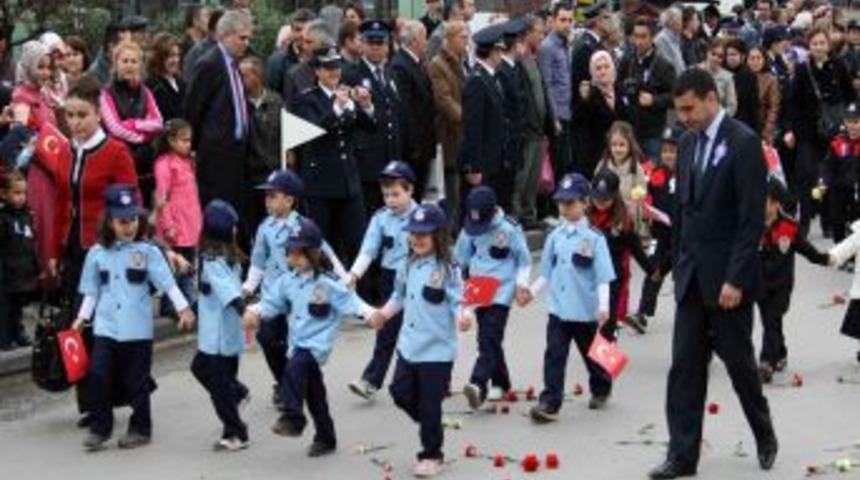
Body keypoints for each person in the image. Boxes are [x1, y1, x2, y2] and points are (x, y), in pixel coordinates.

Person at [648, 68, 777, 480]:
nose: (684, 118)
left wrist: (736, 279)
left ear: (709, 98)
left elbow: (750, 219)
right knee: (684, 368)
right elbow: (684, 213)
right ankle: (681, 456)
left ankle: (763, 431)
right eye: (679, 110)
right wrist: (674, 264)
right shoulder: (686, 145)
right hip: (691, 278)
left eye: (689, 108)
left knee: (740, 366)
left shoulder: (744, 143)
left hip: (728, 284)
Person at [72, 184, 195, 451]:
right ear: (109, 221)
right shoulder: (96, 253)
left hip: (137, 330)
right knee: (98, 375)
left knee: (136, 381)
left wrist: (183, 308)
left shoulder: (148, 252)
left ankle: (140, 428)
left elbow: (168, 283)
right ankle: (100, 427)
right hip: (105, 327)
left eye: (133, 220)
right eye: (122, 221)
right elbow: (91, 290)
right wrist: (81, 318)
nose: (128, 226)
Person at [243, 217, 371, 458]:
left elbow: (351, 302)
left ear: (313, 253)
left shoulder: (328, 283)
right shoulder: (287, 281)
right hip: (297, 343)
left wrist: (371, 314)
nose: (291, 258)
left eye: (298, 253)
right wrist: (254, 311)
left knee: (293, 368)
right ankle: (326, 438)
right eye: (289, 253)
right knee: (315, 395)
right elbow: (271, 302)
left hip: (316, 347)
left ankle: (294, 418)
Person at [52, 79, 138, 427]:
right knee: (80, 325)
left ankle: (128, 391)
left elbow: (130, 202)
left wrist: (121, 244)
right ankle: (91, 402)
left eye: (82, 115)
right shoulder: (66, 149)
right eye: (69, 115)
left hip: (106, 249)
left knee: (110, 328)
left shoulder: (116, 151)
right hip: (74, 249)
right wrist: (55, 248)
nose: (75, 123)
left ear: (98, 113)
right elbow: (62, 200)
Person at [367, 203, 467, 478]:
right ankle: (430, 424)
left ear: (438, 234)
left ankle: (431, 454)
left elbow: (459, 299)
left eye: (425, 233)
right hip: (409, 347)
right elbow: (398, 296)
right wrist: (383, 315)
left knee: (429, 403)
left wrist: (462, 317)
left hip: (437, 351)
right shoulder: (406, 264)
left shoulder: (448, 268)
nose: (418, 239)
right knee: (399, 392)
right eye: (414, 233)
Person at [242, 169, 348, 405]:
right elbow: (258, 261)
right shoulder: (264, 227)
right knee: (267, 338)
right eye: (266, 195)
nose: (267, 200)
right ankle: (283, 380)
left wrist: (344, 278)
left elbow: (326, 252)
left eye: (273, 195)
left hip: (300, 293)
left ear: (289, 200)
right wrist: (249, 286)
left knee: (297, 343)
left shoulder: (304, 226)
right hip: (273, 294)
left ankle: (299, 385)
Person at [526, 173, 616, 421]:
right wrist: (531, 293)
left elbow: (603, 277)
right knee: (554, 355)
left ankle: (602, 386)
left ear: (585, 202)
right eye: (561, 202)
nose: (565, 208)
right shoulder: (554, 237)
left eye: (571, 202)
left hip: (584, 310)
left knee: (593, 355)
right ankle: (550, 401)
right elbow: (546, 272)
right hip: (558, 310)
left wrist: (604, 305)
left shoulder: (595, 239)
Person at [292, 46, 374, 266]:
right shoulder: (307, 99)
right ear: (317, 71)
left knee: (357, 241)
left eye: (336, 67)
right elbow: (317, 129)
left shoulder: (345, 94)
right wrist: (337, 107)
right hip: (321, 183)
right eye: (328, 68)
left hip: (349, 182)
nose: (334, 73)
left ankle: (361, 294)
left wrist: (365, 106)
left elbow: (370, 127)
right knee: (324, 245)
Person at [347, 161, 419, 400]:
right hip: (391, 280)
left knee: (421, 331)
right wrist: (354, 274)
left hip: (419, 278)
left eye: (396, 194)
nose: (391, 200)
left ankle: (433, 377)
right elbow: (368, 250)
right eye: (386, 194)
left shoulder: (422, 217)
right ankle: (371, 381)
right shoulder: (380, 218)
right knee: (386, 331)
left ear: (410, 191)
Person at [457, 186, 531, 408]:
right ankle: (501, 382)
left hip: (502, 289)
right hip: (478, 287)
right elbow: (461, 259)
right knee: (490, 338)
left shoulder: (509, 228)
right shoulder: (469, 228)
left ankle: (478, 384)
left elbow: (524, 260)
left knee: (488, 337)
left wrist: (521, 285)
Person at [191, 199, 250, 452]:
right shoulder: (220, 256)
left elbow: (227, 290)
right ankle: (236, 393)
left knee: (219, 388)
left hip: (219, 337)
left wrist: (242, 310)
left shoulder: (214, 259)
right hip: (217, 334)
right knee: (200, 369)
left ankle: (236, 432)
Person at [185, 9, 253, 227]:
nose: (247, 43)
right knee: (216, 214)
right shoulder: (209, 64)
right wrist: (194, 149)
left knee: (235, 214)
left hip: (237, 153)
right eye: (242, 38)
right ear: (225, 35)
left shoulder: (233, 65)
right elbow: (193, 109)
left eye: (249, 38)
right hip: (215, 157)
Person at [757, 178, 829, 383]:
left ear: (776, 203)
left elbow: (807, 250)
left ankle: (766, 363)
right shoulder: (752, 225)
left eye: (767, 201)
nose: (762, 205)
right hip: (761, 283)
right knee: (770, 321)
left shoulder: (789, 226)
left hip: (781, 285)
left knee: (772, 319)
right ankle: (780, 352)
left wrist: (826, 259)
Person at [785, 28, 855, 238]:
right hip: (807, 131)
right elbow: (793, 101)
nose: (818, 47)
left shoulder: (839, 65)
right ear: (809, 46)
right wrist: (790, 129)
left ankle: (828, 221)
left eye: (822, 43)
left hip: (834, 130)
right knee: (806, 176)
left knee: (831, 177)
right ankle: (804, 221)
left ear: (828, 45)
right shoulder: (801, 68)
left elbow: (850, 96)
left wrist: (849, 123)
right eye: (814, 43)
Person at [342, 20, 401, 214]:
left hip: (390, 156)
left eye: (380, 43)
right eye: (371, 42)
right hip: (366, 160)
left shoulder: (391, 73)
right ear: (362, 44)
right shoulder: (351, 74)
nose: (376, 48)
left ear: (388, 45)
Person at [587, 169, 653, 344]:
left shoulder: (623, 222)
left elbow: (636, 249)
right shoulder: (585, 218)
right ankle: (593, 351)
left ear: (615, 196)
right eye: (596, 197)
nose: (600, 202)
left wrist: (652, 271)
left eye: (605, 199)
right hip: (588, 278)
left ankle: (605, 358)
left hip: (612, 279)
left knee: (608, 322)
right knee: (588, 322)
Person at [629, 126, 682, 333]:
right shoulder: (655, 173)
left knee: (682, 276)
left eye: (673, 151)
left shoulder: (688, 173)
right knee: (654, 271)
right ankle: (642, 313)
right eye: (665, 150)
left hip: (682, 236)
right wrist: (640, 197)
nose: (668, 155)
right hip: (661, 235)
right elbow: (643, 190)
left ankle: (685, 316)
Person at [100, 41, 164, 208]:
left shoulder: (146, 92)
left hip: (145, 160)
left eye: (134, 61)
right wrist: (143, 134)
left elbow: (158, 122)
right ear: (116, 63)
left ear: (140, 65)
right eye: (125, 61)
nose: (129, 65)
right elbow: (114, 128)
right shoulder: (106, 93)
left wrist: (133, 123)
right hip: (119, 157)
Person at [459, 25, 508, 213]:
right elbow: (473, 127)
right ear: (493, 52)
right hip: (482, 162)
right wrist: (474, 167)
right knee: (477, 213)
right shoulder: (477, 81)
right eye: (499, 51)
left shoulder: (488, 77)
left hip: (492, 159)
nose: (501, 55)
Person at [153, 119, 201, 306]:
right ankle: (177, 302)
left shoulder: (188, 161)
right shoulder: (164, 164)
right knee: (176, 265)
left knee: (189, 263)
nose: (188, 144)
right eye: (184, 140)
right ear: (171, 141)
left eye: (189, 140)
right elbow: (162, 198)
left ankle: (185, 300)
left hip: (190, 221)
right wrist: (168, 225)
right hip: (176, 223)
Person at [618, 16, 677, 160]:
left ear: (652, 37)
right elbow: (618, 85)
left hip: (653, 132)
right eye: (636, 36)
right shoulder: (627, 60)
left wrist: (654, 100)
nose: (638, 41)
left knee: (652, 176)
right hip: (630, 129)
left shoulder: (664, 65)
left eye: (643, 36)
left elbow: (675, 97)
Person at [428, 20, 468, 229]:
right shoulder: (438, 64)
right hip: (447, 136)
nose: (466, 42)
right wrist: (467, 118)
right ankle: (444, 233)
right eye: (462, 38)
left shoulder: (460, 62)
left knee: (457, 189)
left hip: (460, 136)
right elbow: (444, 101)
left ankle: (453, 230)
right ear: (450, 39)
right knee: (447, 190)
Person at [391, 20, 436, 200]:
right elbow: (405, 110)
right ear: (415, 40)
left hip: (424, 144)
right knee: (411, 196)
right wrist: (414, 146)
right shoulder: (401, 65)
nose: (427, 43)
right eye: (425, 38)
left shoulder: (416, 62)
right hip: (413, 148)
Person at [238, 55, 285, 230]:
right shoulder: (238, 102)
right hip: (248, 174)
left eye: (245, 75)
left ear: (257, 76)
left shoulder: (276, 101)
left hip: (273, 171)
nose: (241, 80)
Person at [515, 15, 553, 230]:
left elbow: (542, 91)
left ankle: (529, 216)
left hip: (539, 128)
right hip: (526, 129)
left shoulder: (533, 57)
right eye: (538, 31)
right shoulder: (519, 60)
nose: (541, 35)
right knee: (522, 176)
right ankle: (518, 215)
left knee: (533, 178)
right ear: (527, 33)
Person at [577, 51, 631, 177]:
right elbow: (582, 127)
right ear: (592, 72)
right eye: (598, 68)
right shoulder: (588, 95)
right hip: (596, 155)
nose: (603, 71)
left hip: (622, 152)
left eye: (606, 67)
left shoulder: (621, 90)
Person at [0, 170, 37, 350]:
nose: (21, 197)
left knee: (18, 306)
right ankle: (5, 337)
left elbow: (32, 241)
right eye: (16, 193)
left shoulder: (27, 215)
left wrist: (36, 266)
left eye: (23, 193)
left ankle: (18, 332)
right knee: (6, 306)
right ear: (4, 194)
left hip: (23, 270)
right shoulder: (3, 218)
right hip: (7, 271)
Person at [538, 4, 573, 183]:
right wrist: (554, 118)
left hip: (567, 112)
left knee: (565, 163)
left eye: (570, 20)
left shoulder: (565, 45)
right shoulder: (548, 47)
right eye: (563, 20)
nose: (567, 24)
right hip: (556, 115)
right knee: (556, 166)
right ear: (552, 21)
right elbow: (547, 84)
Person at [820, 103, 860, 243]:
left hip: (857, 189)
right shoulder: (838, 142)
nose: (852, 126)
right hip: (840, 188)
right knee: (836, 218)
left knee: (856, 223)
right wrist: (824, 182)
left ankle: (855, 254)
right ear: (844, 122)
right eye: (849, 121)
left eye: (856, 122)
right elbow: (828, 166)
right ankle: (840, 250)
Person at [265, 9, 316, 95]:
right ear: (291, 31)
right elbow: (272, 97)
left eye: (308, 30)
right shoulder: (277, 62)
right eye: (298, 29)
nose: (303, 35)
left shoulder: (324, 59)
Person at [146, 33, 186, 122]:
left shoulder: (181, 82)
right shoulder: (152, 85)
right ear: (159, 57)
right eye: (171, 56)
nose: (176, 60)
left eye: (177, 55)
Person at [724, 39, 761, 133]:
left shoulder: (749, 76)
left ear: (743, 56)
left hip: (743, 124)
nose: (730, 58)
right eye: (728, 55)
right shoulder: (722, 73)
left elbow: (753, 106)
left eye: (734, 54)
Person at [747, 46, 781, 145]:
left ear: (764, 60)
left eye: (758, 58)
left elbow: (774, 107)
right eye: (752, 58)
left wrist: (768, 130)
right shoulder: (742, 77)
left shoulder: (770, 79)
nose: (755, 61)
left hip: (762, 124)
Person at [699, 38, 738, 117]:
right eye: (713, 54)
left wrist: (718, 119)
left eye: (720, 56)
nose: (715, 58)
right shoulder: (694, 71)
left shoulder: (728, 77)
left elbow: (732, 106)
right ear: (707, 52)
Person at [182, 8, 224, 81]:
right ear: (195, 20)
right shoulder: (183, 48)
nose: (211, 20)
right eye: (207, 16)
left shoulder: (213, 46)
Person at [655, 6, 687, 76]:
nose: (682, 22)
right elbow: (667, 65)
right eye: (679, 19)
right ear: (670, 22)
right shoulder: (661, 39)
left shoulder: (676, 38)